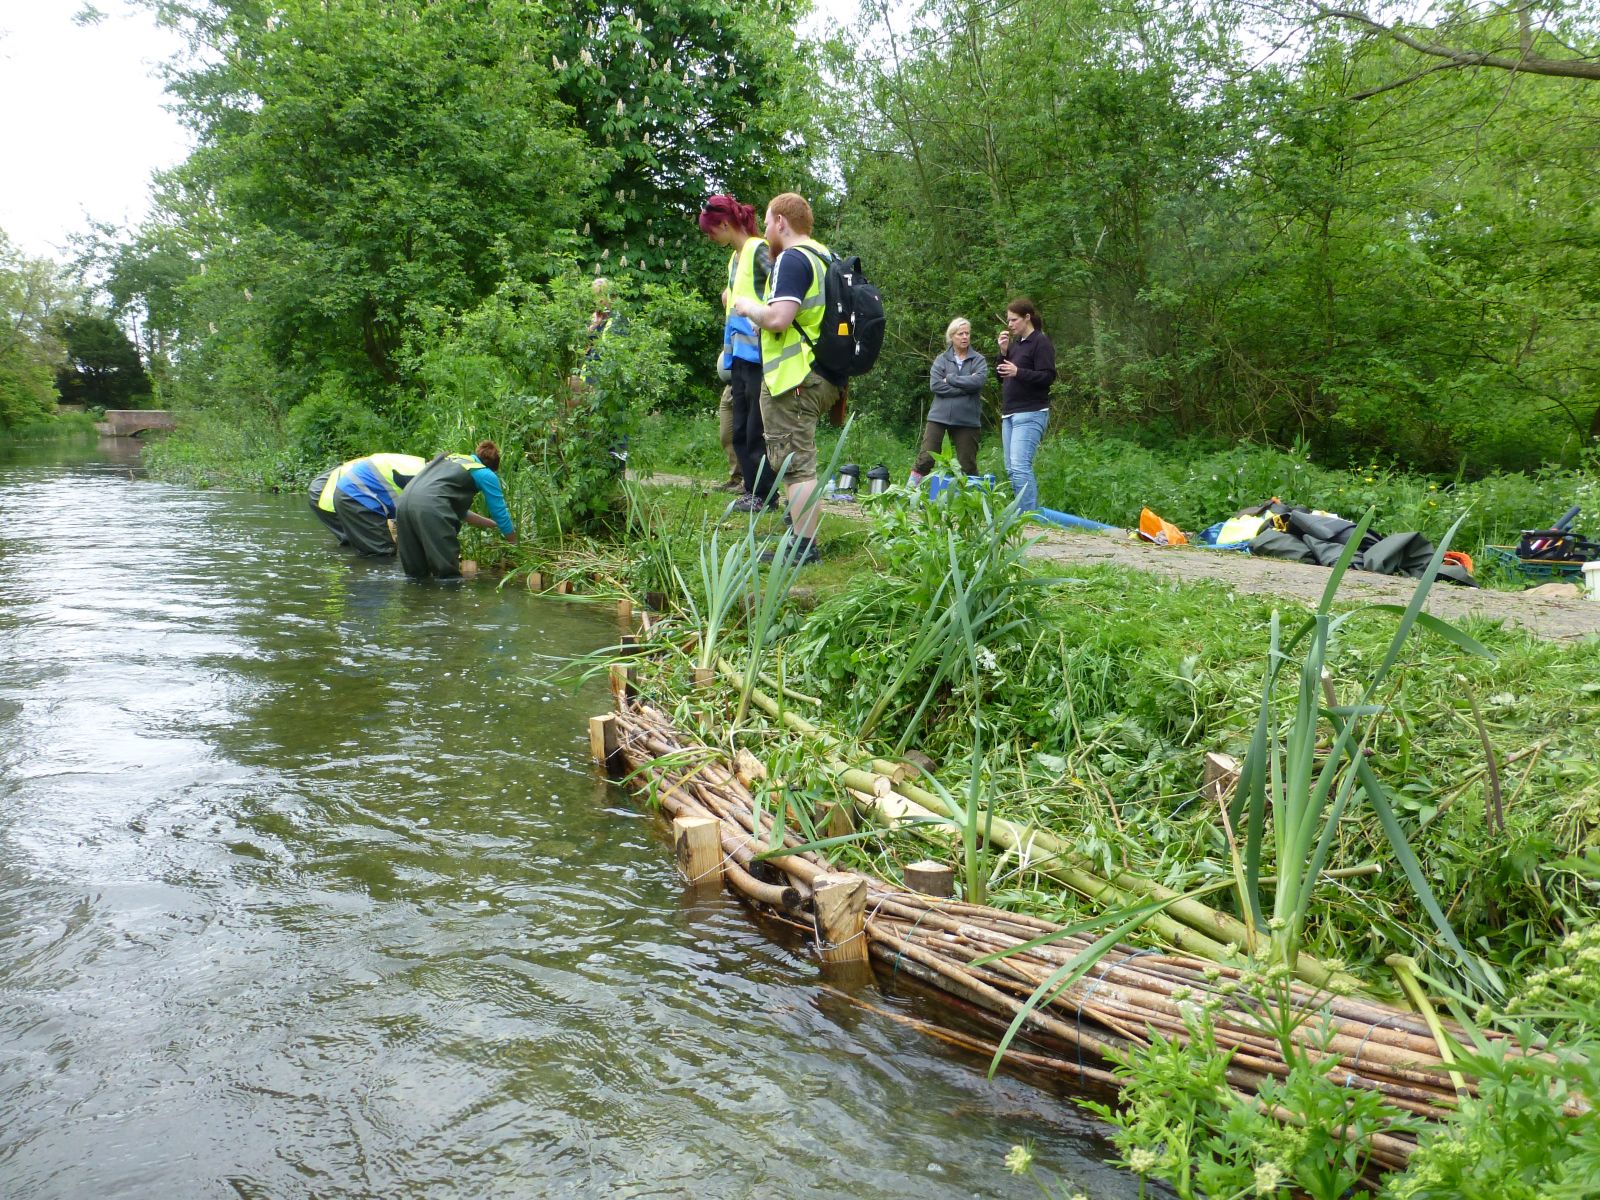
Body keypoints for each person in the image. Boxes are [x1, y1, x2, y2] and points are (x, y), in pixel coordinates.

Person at [730, 193, 845, 565]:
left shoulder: (793, 259)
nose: (765, 231)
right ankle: (800, 535)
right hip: (824, 373)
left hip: (797, 376)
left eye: (767, 222)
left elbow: (779, 319)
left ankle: (803, 548)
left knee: (796, 465)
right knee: (799, 460)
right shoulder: (825, 256)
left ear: (781, 221)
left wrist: (748, 306)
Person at [698, 194, 777, 513]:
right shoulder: (735, 258)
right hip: (739, 357)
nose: (709, 237)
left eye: (710, 231)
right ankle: (750, 489)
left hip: (761, 356)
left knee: (756, 427)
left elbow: (780, 289)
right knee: (740, 426)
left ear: (726, 224)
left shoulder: (759, 250)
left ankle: (766, 495)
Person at [394, 440, 518, 580]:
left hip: (403, 503)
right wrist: (514, 544)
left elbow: (456, 511)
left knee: (415, 576)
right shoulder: (484, 473)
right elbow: (500, 513)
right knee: (448, 576)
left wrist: (492, 524)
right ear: (493, 467)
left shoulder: (452, 459)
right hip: (431, 507)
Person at [994, 297, 1056, 512]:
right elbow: (1001, 377)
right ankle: (1023, 514)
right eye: (1008, 320)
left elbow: (1048, 376)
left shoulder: (1041, 342)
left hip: (1031, 412)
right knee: (1011, 469)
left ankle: (1030, 518)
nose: (1009, 325)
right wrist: (1002, 353)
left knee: (1020, 467)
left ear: (1027, 317)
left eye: (1013, 320)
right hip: (1010, 413)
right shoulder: (1015, 346)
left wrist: (1019, 372)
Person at [912, 317, 987, 483]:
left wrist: (951, 379)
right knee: (926, 458)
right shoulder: (941, 359)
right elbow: (936, 386)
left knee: (967, 464)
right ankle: (910, 492)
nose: (965, 337)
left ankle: (972, 499)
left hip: (967, 419)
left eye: (967, 333)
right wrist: (966, 387)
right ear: (952, 336)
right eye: (960, 334)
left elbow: (978, 382)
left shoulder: (978, 360)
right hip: (939, 416)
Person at [327, 453, 426, 556]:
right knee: (380, 552)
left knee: (376, 548)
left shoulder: (420, 468)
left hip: (354, 492)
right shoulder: (419, 476)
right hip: (355, 496)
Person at [717, 383, 743, 492]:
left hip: (747, 381)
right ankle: (736, 478)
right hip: (730, 385)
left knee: (746, 435)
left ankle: (747, 481)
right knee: (726, 436)